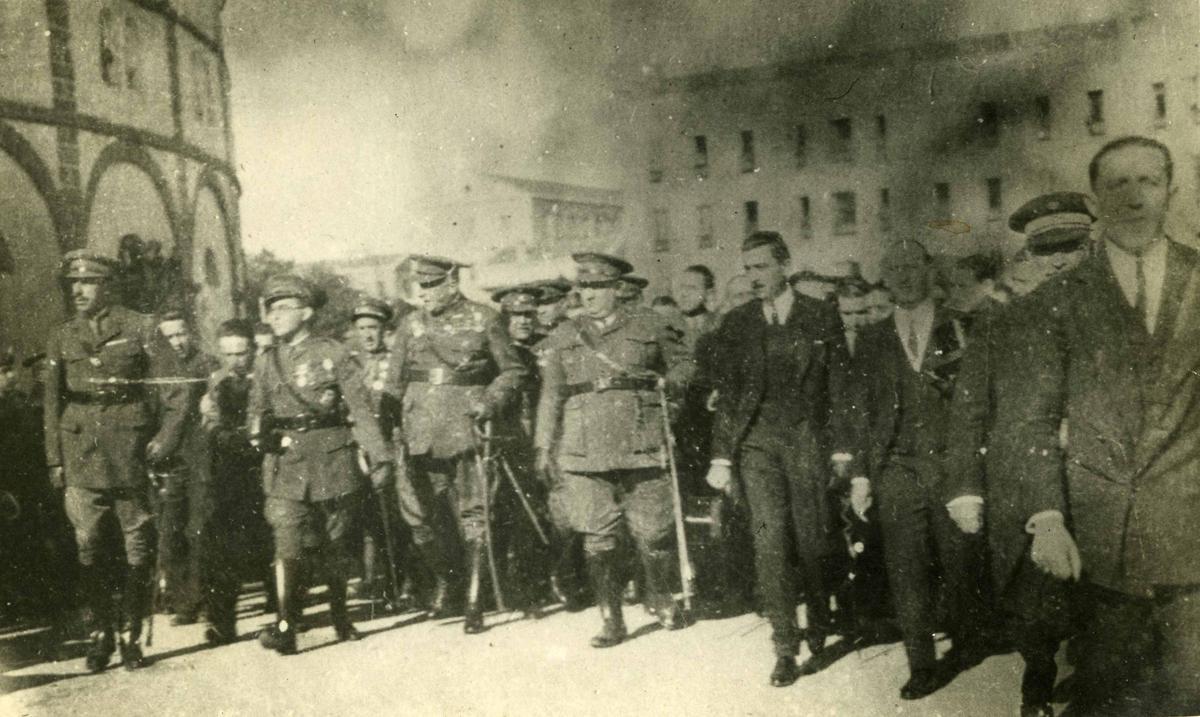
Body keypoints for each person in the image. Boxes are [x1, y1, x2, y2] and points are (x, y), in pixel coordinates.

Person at [1004, 137, 1200, 715]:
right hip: (1099, 546)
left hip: (1192, 534)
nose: (1134, 196)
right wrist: (1045, 520)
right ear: (1095, 200)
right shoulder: (1056, 301)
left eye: (1149, 181)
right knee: (1112, 698)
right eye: (1117, 183)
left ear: (1172, 192)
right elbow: (1030, 419)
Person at [943, 191, 1095, 717]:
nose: (1059, 260)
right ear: (1029, 255)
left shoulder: (1120, 316)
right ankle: (1037, 692)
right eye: (1046, 249)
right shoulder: (1001, 325)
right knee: (1039, 613)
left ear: (1090, 246)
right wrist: (964, 487)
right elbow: (968, 413)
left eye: (1072, 246)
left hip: (1102, 484)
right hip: (1026, 486)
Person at [704, 231, 861, 687]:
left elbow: (840, 389)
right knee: (769, 543)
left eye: (762, 267)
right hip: (756, 445)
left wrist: (841, 449)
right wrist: (721, 456)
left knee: (814, 540)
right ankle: (785, 647)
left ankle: (819, 613)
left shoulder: (820, 316)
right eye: (748, 268)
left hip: (806, 440)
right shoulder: (737, 323)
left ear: (785, 265)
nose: (754, 277)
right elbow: (730, 396)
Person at [850, 239, 991, 700]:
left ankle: (968, 637)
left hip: (952, 463)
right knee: (904, 566)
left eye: (913, 266)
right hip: (897, 469)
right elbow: (864, 413)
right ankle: (921, 664)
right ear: (884, 278)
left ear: (929, 270)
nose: (905, 276)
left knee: (959, 559)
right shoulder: (871, 338)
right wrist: (862, 474)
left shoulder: (962, 326)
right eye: (895, 269)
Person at [536, 253, 694, 648]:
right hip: (583, 449)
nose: (588, 296)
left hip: (640, 441)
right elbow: (551, 394)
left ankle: (658, 594)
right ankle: (611, 617)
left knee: (653, 532)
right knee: (597, 536)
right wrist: (542, 445)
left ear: (616, 290)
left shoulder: (650, 325)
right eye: (583, 288)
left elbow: (684, 365)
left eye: (597, 288)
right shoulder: (563, 335)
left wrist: (669, 387)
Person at [249, 274, 395, 655]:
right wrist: (258, 434)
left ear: (307, 312)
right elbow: (256, 411)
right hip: (285, 463)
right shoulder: (267, 361)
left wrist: (379, 457)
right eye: (271, 309)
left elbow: (361, 410)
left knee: (335, 544)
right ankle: (285, 624)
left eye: (284, 308)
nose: (275, 316)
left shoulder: (333, 353)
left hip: (332, 459)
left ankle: (341, 617)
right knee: (287, 543)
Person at [44, 250, 175, 672]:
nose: (78, 291)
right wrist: (54, 460)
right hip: (80, 453)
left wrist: (165, 440)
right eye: (73, 284)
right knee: (89, 545)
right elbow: (51, 404)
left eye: (88, 283)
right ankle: (100, 632)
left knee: (137, 544)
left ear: (107, 287)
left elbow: (179, 391)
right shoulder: (62, 336)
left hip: (130, 453)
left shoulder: (141, 326)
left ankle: (130, 635)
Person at [391, 255, 527, 634]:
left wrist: (490, 400)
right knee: (422, 517)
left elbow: (513, 370)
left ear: (452, 283)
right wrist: (391, 429)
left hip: (466, 428)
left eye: (433, 285)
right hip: (419, 433)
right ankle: (448, 580)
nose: (426, 293)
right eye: (422, 286)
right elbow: (393, 382)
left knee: (474, 516)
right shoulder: (410, 324)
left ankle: (473, 597)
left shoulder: (485, 318)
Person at [195, 319, 272, 644]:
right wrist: (219, 434)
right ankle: (222, 623)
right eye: (227, 353)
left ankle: (287, 611)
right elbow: (209, 419)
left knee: (274, 537)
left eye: (241, 353)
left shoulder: (270, 376)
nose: (234, 360)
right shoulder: (216, 381)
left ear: (253, 350)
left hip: (267, 464)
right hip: (230, 470)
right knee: (222, 546)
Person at [148, 311, 218, 626]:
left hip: (201, 458)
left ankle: (202, 599)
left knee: (199, 530)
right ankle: (182, 600)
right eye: (170, 336)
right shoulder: (156, 370)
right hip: (170, 462)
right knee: (170, 532)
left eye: (181, 334)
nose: (177, 341)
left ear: (191, 333)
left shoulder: (208, 365)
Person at [345, 297, 411, 611]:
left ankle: (405, 583)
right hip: (359, 450)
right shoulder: (349, 364)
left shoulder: (397, 361)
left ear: (385, 330)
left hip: (394, 445)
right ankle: (375, 582)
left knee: (398, 516)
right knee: (368, 520)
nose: (368, 334)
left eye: (373, 327)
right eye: (361, 328)